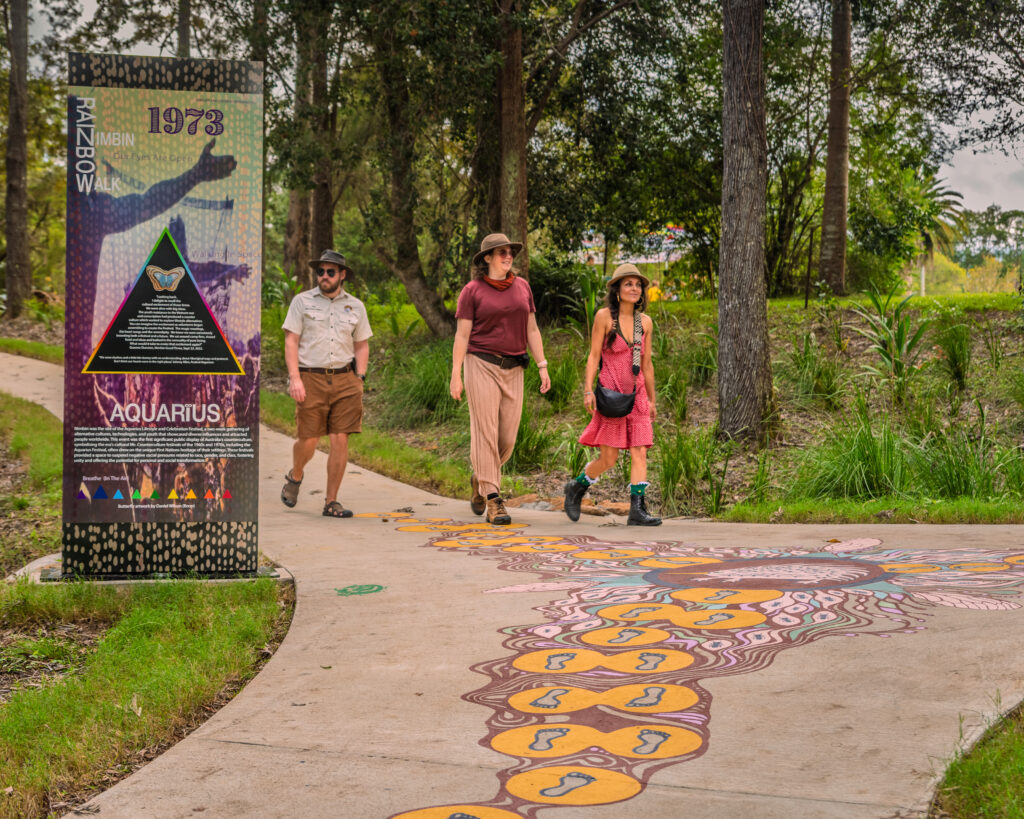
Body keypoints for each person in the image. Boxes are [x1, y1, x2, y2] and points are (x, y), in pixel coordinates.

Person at [450, 233, 551, 525]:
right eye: (501, 252)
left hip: (514, 367)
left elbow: (532, 329)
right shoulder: (472, 291)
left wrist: (542, 365)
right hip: (480, 363)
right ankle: (494, 500)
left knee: (506, 438)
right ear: (487, 259)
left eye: (510, 252)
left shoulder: (522, 287)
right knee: (485, 430)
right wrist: (456, 374)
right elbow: (462, 335)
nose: (508, 257)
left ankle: (481, 478)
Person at [564, 263, 662, 526]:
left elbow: (647, 363)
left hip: (637, 394)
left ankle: (637, 510)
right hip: (610, 395)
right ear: (617, 289)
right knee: (609, 458)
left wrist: (652, 399)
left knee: (640, 450)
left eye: (638, 284)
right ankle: (577, 487)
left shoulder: (646, 323)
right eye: (628, 283)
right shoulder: (604, 317)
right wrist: (588, 390)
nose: (634, 288)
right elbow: (594, 356)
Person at [280, 250, 372, 517]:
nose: (324, 276)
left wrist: (360, 377)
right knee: (308, 439)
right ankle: (295, 474)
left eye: (330, 272)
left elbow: (362, 343)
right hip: (310, 377)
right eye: (320, 271)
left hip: (346, 379)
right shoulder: (302, 302)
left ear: (342, 275)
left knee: (340, 438)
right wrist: (295, 378)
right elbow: (291, 341)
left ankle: (331, 501)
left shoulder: (356, 306)